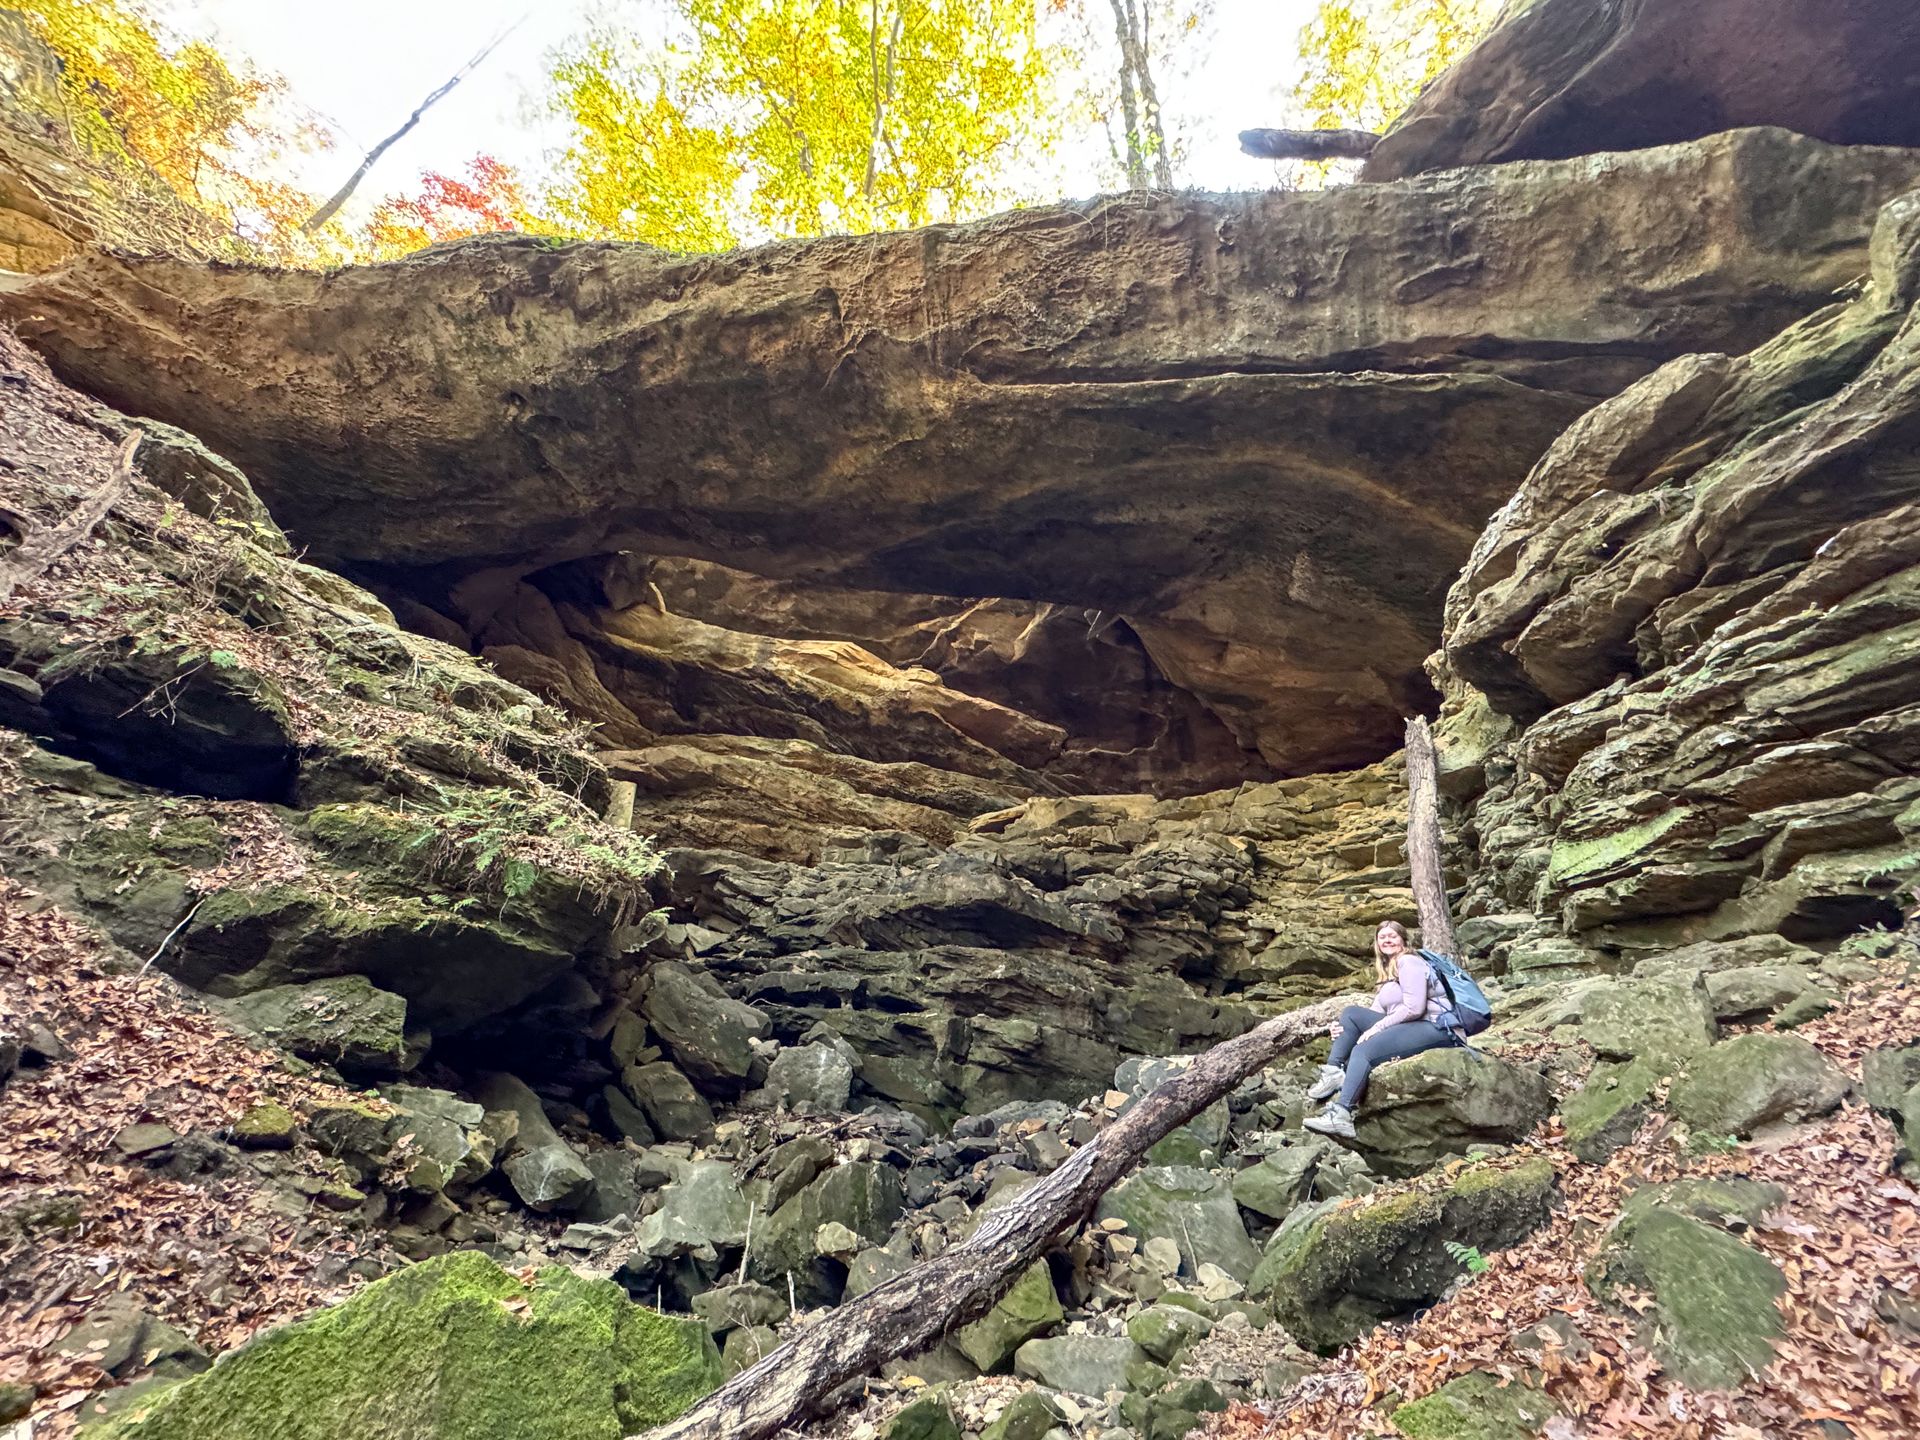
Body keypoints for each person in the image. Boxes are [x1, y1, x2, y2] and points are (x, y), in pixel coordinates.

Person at [1302, 919, 1452, 1139]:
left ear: (1403, 940)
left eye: (1392, 935)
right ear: (1377, 943)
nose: (1387, 940)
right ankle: (1334, 1072)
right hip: (1411, 1027)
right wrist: (1343, 1030)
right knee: (1350, 1014)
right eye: (1382, 937)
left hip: (1436, 1027)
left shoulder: (1409, 962)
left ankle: (1342, 1113)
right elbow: (1370, 1017)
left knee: (1364, 1051)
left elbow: (1415, 1007)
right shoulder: (1388, 976)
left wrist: (1376, 1029)